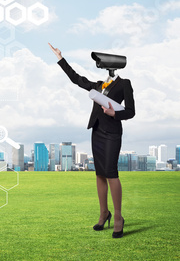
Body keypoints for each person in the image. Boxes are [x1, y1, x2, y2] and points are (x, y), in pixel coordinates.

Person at [49, 43, 135, 238]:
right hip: (97, 132)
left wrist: (114, 113)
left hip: (112, 133)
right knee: (100, 174)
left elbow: (131, 111)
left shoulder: (125, 84)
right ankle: (104, 213)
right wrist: (61, 58)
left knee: (111, 173)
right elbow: (76, 79)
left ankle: (119, 218)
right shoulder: (98, 85)